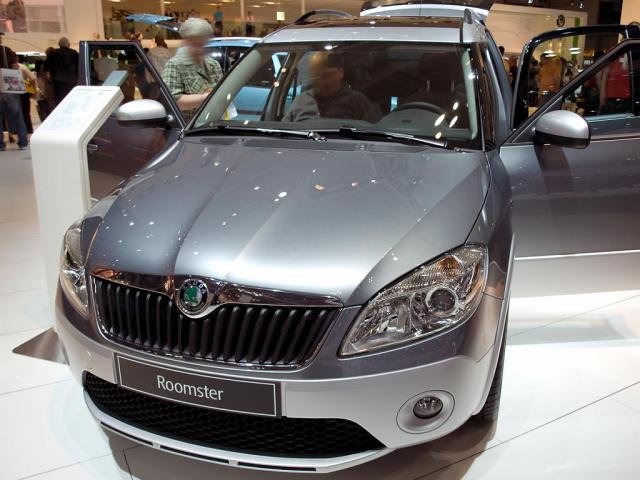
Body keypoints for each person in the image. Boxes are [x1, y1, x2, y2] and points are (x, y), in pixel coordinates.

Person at [283, 51, 379, 123]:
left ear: (340, 72)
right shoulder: (301, 100)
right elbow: (283, 132)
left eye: (326, 75)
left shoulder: (357, 101)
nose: (321, 81)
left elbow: (372, 135)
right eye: (317, 76)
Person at [162, 17, 222, 116]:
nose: (200, 49)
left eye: (203, 44)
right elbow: (173, 101)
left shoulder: (214, 64)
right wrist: (205, 98)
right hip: (189, 123)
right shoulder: (175, 65)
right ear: (187, 42)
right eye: (196, 44)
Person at [0, 32, 27, 150]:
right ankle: (23, 142)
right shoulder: (6, 50)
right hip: (8, 87)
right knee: (18, 116)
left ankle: (0, 145)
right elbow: (15, 66)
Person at [45, 37, 79, 107]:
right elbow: (78, 67)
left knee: (59, 103)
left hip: (58, 84)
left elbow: (47, 66)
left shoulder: (53, 53)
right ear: (69, 44)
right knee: (71, 102)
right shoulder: (74, 53)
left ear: (59, 44)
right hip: (71, 83)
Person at [18, 61, 36, 134]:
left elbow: (33, 79)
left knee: (22, 112)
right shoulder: (22, 67)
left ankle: (26, 129)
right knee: (25, 112)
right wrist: (34, 90)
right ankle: (28, 129)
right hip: (23, 91)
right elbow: (32, 79)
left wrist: (34, 90)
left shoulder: (22, 67)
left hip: (21, 92)